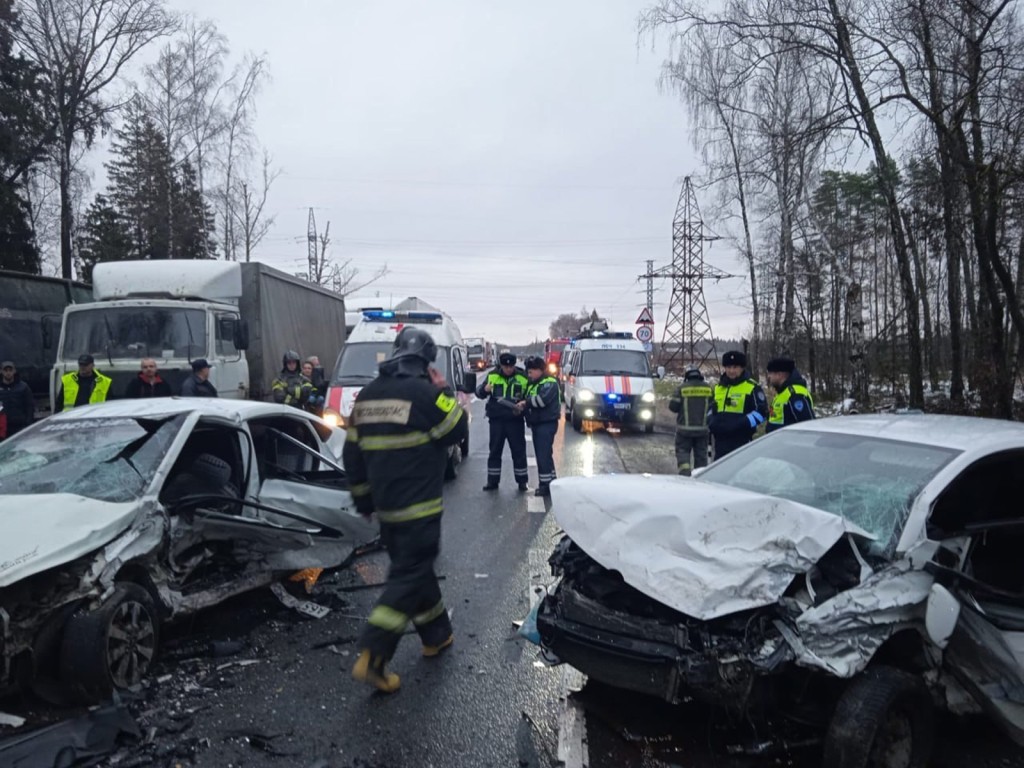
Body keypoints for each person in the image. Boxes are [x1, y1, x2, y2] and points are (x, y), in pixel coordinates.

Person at [343, 327, 468, 694]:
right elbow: (457, 429)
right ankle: (374, 655)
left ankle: (437, 635)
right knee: (409, 575)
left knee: (415, 571)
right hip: (420, 509)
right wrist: (444, 389)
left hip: (386, 509)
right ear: (426, 361)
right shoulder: (428, 393)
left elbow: (353, 454)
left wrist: (364, 501)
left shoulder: (366, 396)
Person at [475, 351, 529, 492]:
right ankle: (492, 482)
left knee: (518, 452)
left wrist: (524, 403)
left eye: (511, 367)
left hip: (515, 420)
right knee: (495, 451)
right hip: (497, 420)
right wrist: (485, 390)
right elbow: (478, 393)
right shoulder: (492, 375)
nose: (508, 369)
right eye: (506, 367)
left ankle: (522, 481)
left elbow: (529, 395)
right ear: (501, 366)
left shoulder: (522, 377)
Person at [708, 350, 767, 459]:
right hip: (720, 443)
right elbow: (709, 408)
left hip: (741, 443)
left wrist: (740, 423)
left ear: (742, 368)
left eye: (735, 367)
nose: (731, 371)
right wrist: (711, 420)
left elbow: (761, 413)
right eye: (728, 367)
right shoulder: (718, 388)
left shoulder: (752, 387)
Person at [518, 356, 560, 497]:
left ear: (540, 370)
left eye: (531, 372)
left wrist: (526, 403)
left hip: (546, 423)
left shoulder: (549, 383)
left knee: (542, 456)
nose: (529, 375)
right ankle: (552, 482)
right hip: (538, 423)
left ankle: (545, 486)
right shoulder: (534, 383)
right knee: (546, 455)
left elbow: (542, 401)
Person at [668, 366, 713, 476]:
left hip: (684, 431)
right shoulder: (708, 389)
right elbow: (713, 408)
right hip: (703, 431)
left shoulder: (682, 388)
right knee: (701, 455)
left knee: (683, 452)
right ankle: (700, 477)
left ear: (687, 376)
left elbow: (673, 407)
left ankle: (685, 474)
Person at [765, 356, 815, 432]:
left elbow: (807, 425)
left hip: (790, 442)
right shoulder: (782, 392)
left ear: (779, 375)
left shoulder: (795, 394)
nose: (768, 376)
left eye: (770, 373)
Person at [0, 360, 34, 437]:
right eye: (5, 370)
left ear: (14, 371)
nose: (8, 373)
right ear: (1, 371)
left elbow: (29, 407)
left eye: (10, 370)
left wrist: (28, 424)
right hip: (3, 429)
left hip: (19, 427)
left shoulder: (23, 387)